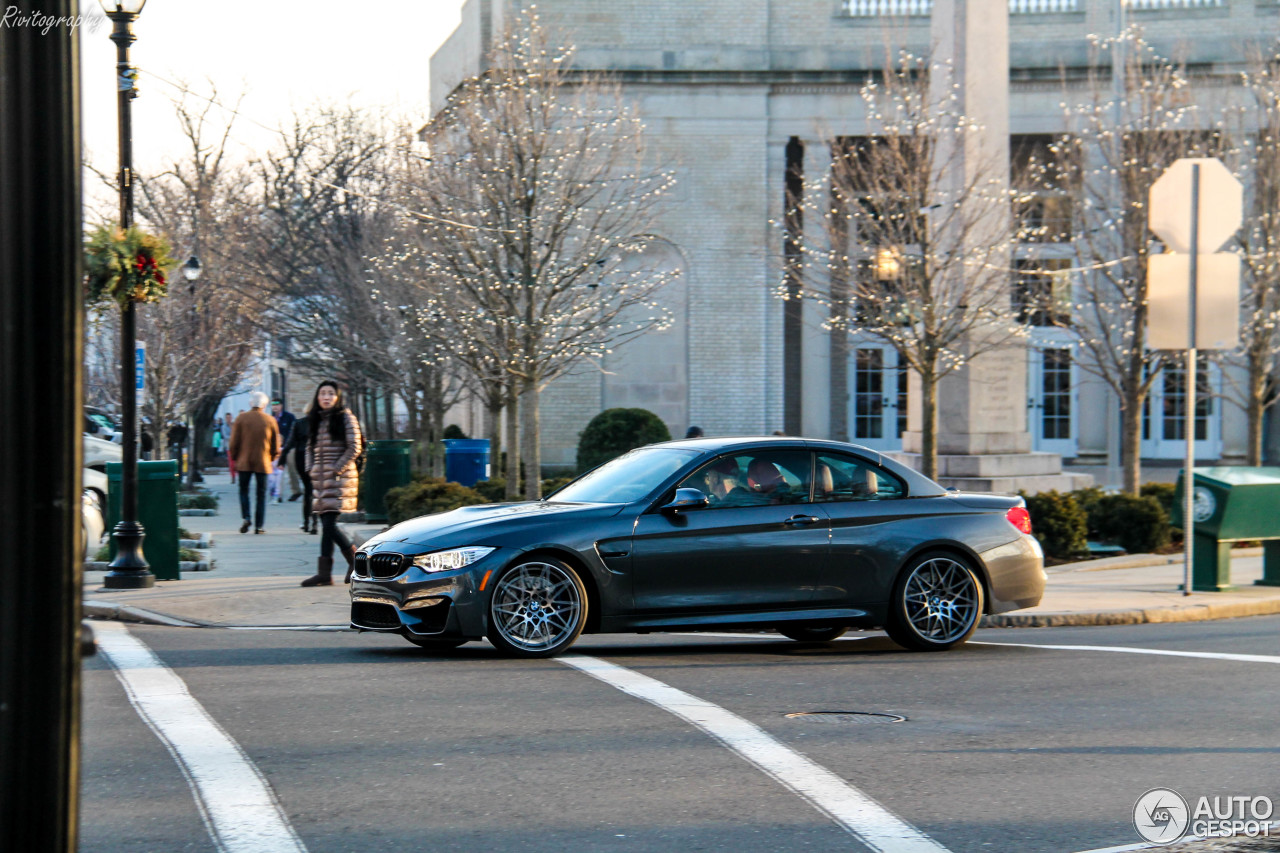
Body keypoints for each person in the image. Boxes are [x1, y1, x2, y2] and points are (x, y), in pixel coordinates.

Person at [301, 380, 363, 586]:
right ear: (317, 397)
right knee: (326, 524)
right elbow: (309, 447)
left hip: (339, 479)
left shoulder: (345, 416)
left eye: (330, 393)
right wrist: (310, 468)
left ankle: (354, 562)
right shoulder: (315, 419)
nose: (326, 397)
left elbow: (355, 447)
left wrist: (336, 468)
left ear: (337, 397)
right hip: (320, 479)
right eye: (322, 393)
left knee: (329, 524)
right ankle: (326, 574)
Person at [229, 392, 279, 535]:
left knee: (243, 491)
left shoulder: (241, 418)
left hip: (244, 461)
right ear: (264, 405)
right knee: (261, 494)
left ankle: (246, 517)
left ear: (251, 403)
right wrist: (272, 457)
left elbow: (234, 442)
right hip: (263, 462)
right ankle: (259, 526)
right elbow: (275, 444)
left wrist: (235, 457)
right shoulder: (270, 420)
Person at [279, 413, 314, 533]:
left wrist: (282, 458)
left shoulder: (299, 423)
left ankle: (306, 522)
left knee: (308, 489)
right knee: (313, 490)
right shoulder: (322, 423)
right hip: (317, 458)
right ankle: (313, 522)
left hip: (301, 457)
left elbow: (290, 442)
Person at [270, 399, 301, 501]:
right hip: (277, 448)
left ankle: (296, 491)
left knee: (292, 470)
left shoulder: (289, 417)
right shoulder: (271, 419)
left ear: (281, 405)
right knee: (278, 472)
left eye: (277, 405)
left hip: (289, 447)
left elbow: (294, 431)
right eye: (273, 405)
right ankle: (278, 494)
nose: (275, 407)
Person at [221, 412, 236, 483]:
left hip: (236, 447)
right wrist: (233, 437)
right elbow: (225, 436)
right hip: (229, 447)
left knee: (237, 462)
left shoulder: (234, 425)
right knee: (231, 463)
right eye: (227, 418)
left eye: (230, 417)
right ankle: (233, 477)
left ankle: (237, 475)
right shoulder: (224, 426)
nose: (228, 419)